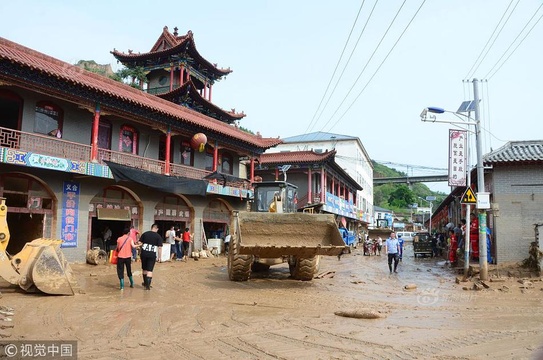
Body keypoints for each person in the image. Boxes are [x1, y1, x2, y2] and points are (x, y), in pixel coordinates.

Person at [139, 223, 163, 290]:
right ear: (157, 229)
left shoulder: (145, 234)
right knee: (150, 270)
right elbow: (160, 247)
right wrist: (159, 257)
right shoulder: (158, 236)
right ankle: (148, 286)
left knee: (144, 269)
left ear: (151, 227)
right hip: (152, 255)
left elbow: (140, 243)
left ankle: (145, 283)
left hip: (143, 254)